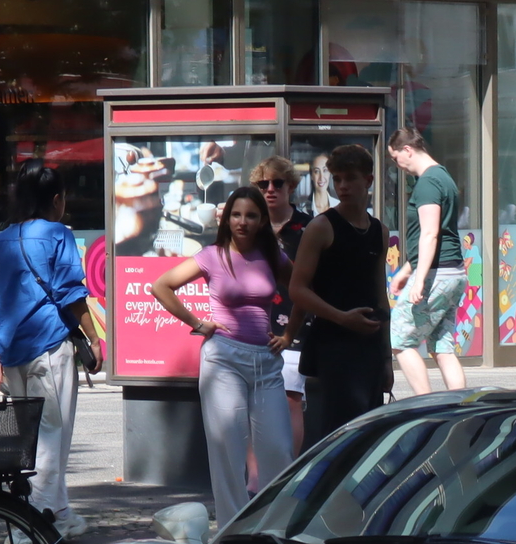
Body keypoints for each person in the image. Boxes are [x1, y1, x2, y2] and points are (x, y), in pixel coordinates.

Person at [151, 185, 296, 524]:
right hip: (223, 359)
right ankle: (232, 529)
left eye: (250, 215)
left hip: (266, 361)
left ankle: (275, 525)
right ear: (227, 218)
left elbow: (303, 289)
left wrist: (289, 334)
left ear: (261, 221)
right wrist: (197, 323)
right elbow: (161, 286)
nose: (242, 222)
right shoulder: (212, 255)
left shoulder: (273, 256)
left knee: (278, 448)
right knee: (227, 452)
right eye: (236, 214)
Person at [0, 162, 90, 537]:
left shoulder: (3, 240)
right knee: (51, 436)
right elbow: (71, 293)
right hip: (49, 347)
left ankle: (59, 513)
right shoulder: (59, 234)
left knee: (26, 439)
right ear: (57, 200)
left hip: (12, 353)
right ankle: (32, 527)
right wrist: (93, 336)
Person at [287, 143, 391, 447]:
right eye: (338, 178)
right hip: (334, 346)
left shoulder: (379, 231)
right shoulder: (321, 226)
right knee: (339, 434)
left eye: (350, 178)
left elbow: (380, 295)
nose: (342, 186)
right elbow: (298, 289)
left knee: (369, 432)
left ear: (368, 181)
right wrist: (341, 318)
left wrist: (386, 358)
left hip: (369, 346)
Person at [387, 128, 468, 395]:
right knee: (442, 345)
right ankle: (460, 406)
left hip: (437, 273)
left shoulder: (427, 183)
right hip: (453, 272)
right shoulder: (443, 176)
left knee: (400, 338)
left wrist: (418, 279)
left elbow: (431, 233)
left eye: (395, 157)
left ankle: (425, 403)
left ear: (407, 150)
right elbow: (440, 233)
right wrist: (406, 270)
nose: (396, 164)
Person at [252, 155, 313, 448]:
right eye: (263, 184)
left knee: (290, 399)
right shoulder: (249, 227)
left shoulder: (309, 227)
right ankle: (254, 483)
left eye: (278, 183)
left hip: (295, 326)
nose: (270, 189)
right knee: (254, 403)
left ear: (291, 186)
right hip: (253, 327)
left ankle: (290, 471)